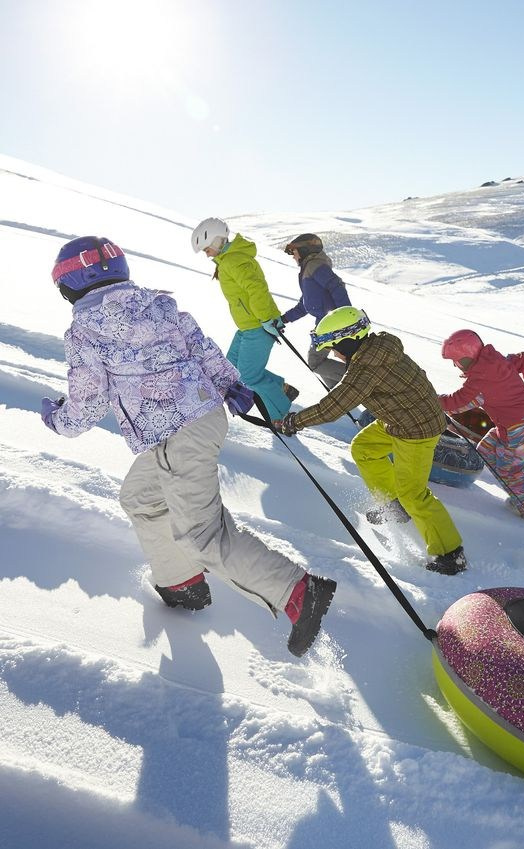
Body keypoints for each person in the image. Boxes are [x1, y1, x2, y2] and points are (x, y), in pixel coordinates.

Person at [41, 235, 335, 657]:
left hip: (175, 434)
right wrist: (230, 383)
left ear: (70, 285)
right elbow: (202, 348)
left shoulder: (85, 329)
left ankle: (297, 591)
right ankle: (182, 582)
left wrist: (59, 421)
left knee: (201, 535)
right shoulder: (158, 304)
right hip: (200, 420)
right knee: (142, 497)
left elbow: (89, 398)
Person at [276, 307, 467, 575]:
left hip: (416, 429)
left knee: (414, 493)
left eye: (333, 347)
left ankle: (451, 554)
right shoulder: (379, 347)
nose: (333, 354)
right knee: (364, 448)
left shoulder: (366, 367)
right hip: (401, 418)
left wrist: (294, 421)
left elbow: (334, 406)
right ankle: (394, 505)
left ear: (347, 341)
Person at [439, 329, 524, 525]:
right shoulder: (498, 361)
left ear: (465, 358)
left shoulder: (479, 382)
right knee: (487, 451)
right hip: (518, 423)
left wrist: (431, 401)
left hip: (521, 429)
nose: (455, 366)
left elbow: (457, 403)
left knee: (511, 472)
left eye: (455, 361)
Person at [191, 217, 298, 422]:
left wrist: (267, 318)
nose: (207, 255)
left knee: (248, 377)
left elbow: (256, 288)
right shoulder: (228, 259)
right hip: (248, 327)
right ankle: (281, 388)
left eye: (206, 249)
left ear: (215, 241)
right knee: (232, 368)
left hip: (259, 326)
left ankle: (283, 416)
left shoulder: (233, 260)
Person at [281, 234, 352, 389]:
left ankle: (353, 383)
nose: (293, 257)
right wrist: (284, 319)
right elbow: (305, 304)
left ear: (305, 250)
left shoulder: (315, 266)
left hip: (332, 325)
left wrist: (346, 317)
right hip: (327, 324)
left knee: (315, 363)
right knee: (320, 361)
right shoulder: (309, 269)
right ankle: (338, 394)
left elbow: (336, 286)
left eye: (294, 252)